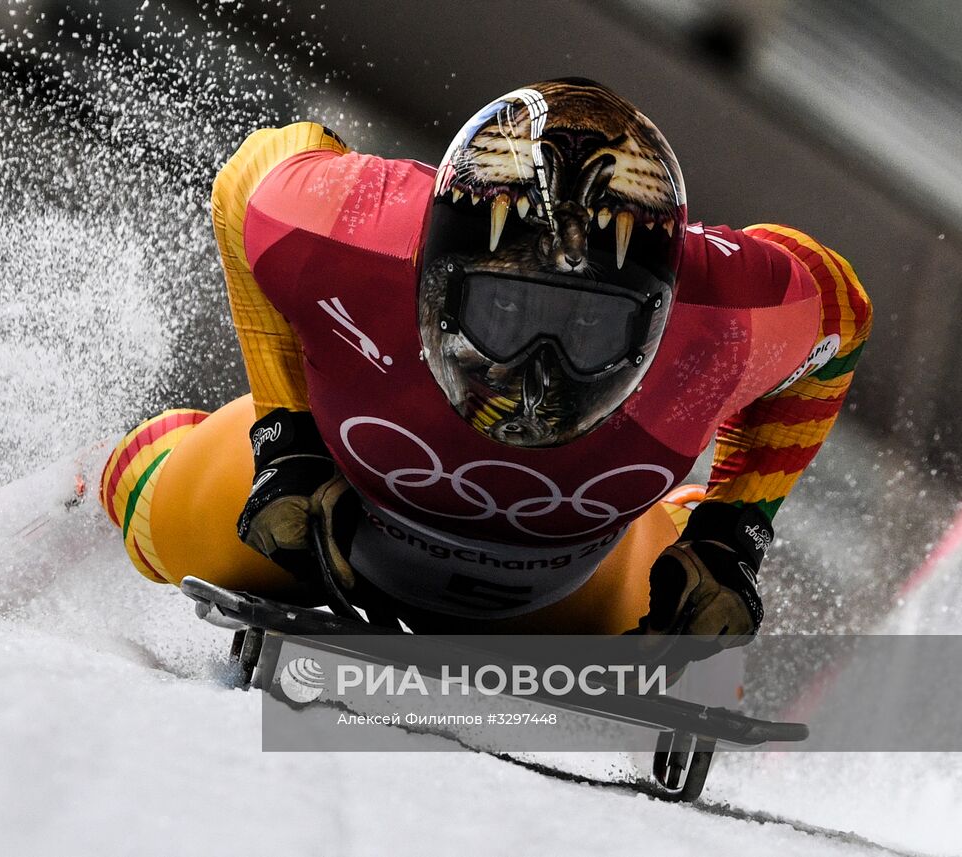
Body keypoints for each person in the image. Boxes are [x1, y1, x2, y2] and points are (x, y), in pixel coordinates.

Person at [99, 78, 870, 651]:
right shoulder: (356, 229)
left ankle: (678, 522)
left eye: (589, 328)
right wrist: (285, 436)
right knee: (148, 512)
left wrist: (730, 539)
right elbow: (247, 176)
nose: (541, 378)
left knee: (690, 630)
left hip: (540, 565)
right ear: (432, 274)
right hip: (482, 550)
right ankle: (126, 461)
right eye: (507, 312)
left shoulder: (726, 310)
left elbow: (848, 317)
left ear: (661, 309)